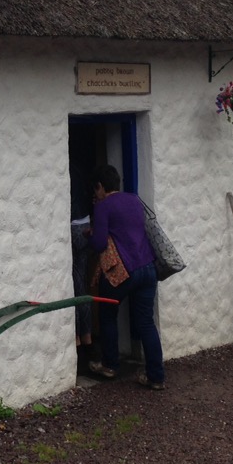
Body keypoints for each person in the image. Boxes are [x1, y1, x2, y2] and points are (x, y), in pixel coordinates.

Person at [87, 164, 165, 389]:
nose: (96, 194)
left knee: (107, 314)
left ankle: (110, 365)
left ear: (100, 186)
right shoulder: (134, 200)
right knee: (146, 322)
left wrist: (89, 234)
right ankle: (156, 377)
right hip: (147, 267)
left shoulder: (103, 206)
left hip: (123, 271)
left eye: (95, 189)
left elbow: (100, 243)